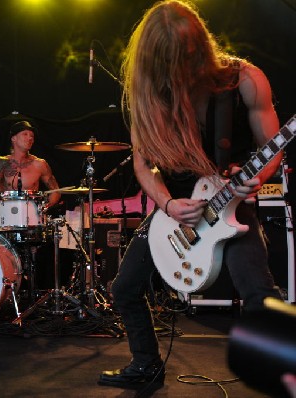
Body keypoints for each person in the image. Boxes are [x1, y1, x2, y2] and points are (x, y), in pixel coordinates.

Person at [98, 0, 283, 391]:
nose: (177, 74)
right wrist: (167, 203)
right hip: (175, 208)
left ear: (200, 48)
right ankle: (146, 364)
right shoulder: (147, 92)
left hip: (229, 203)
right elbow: (142, 164)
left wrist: (258, 175)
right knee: (125, 288)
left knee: (259, 296)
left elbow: (273, 147)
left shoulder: (245, 81)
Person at [0, 120, 61, 210]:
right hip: (8, 214)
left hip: (32, 217)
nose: (30, 138)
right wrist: (9, 196)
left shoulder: (40, 164)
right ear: (14, 138)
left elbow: (56, 191)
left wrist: (42, 208)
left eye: (32, 136)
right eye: (25, 134)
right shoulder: (2, 162)